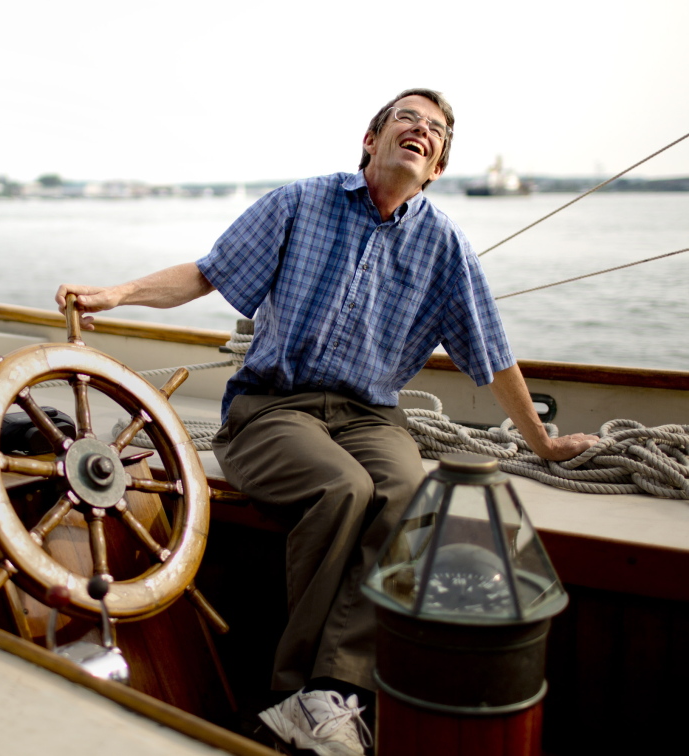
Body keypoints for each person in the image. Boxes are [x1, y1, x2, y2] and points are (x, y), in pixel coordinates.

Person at [56, 88, 598, 756]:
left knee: (406, 496)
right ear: (369, 141)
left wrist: (540, 443)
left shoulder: (443, 244)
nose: (419, 131)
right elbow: (205, 274)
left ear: (434, 169)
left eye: (433, 131)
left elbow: (490, 355)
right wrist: (118, 294)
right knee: (343, 489)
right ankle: (299, 692)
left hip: (370, 416)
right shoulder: (301, 202)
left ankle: (323, 696)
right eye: (406, 118)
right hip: (272, 407)